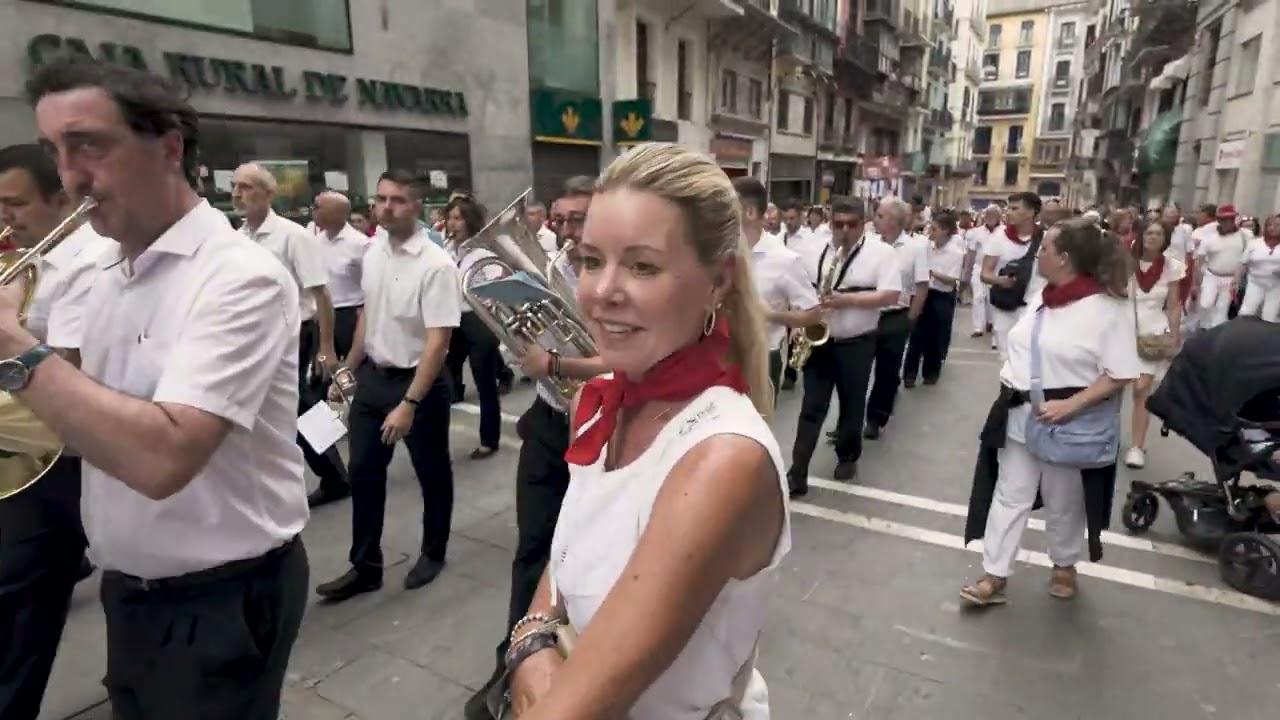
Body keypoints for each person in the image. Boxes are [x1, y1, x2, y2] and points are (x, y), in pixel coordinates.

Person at [16, 57, 309, 717]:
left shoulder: (240, 277)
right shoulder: (97, 265)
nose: (69, 176)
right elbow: (72, 413)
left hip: (221, 598)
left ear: (169, 148)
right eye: (55, 151)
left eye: (89, 144)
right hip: (134, 590)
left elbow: (160, 458)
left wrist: (15, 349)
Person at [502, 142, 787, 720]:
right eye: (590, 259)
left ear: (717, 281)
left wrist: (528, 655)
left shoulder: (722, 458)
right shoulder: (600, 399)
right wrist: (533, 639)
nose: (602, 291)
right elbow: (568, 553)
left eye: (642, 265)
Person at [462, 175, 610, 720]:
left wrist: (557, 364)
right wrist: (519, 347)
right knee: (532, 549)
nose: (568, 230)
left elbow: (623, 360)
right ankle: (510, 668)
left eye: (581, 219)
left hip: (604, 427)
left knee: (589, 557)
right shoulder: (544, 269)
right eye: (563, 219)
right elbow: (524, 347)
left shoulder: (614, 275)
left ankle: (582, 668)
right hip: (551, 423)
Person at [962, 219, 1141, 605]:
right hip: (1017, 411)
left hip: (1067, 420)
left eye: (1044, 249)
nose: (1037, 253)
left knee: (1064, 499)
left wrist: (1070, 406)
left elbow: (1122, 373)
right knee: (1011, 494)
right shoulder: (1045, 294)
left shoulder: (1108, 309)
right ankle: (995, 572)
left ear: (1065, 258)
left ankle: (1064, 563)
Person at [0, 142, 111, 720]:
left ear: (60, 199)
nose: (6, 218)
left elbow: (66, 376)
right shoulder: (39, 257)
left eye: (15, 203)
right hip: (35, 444)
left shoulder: (88, 264)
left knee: (20, 595)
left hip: (62, 457)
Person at [315, 169, 460, 601]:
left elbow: (438, 343)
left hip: (420, 386)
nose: (385, 207)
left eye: (397, 200)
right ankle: (366, 567)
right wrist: (347, 370)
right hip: (373, 379)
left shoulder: (436, 265)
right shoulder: (374, 251)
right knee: (363, 473)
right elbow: (367, 317)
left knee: (431, 474)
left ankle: (433, 552)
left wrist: (410, 403)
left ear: (416, 206)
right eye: (380, 198)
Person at [231, 162, 350, 508]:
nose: (238, 193)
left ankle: (335, 477)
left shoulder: (292, 235)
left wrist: (326, 347)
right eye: (236, 186)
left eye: (248, 187)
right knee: (284, 408)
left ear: (269, 194)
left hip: (295, 333)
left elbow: (321, 294)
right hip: (257, 336)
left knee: (301, 407)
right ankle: (321, 474)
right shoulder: (237, 239)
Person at [787, 196, 900, 490]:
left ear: (864, 224)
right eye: (839, 224)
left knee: (852, 405)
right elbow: (800, 290)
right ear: (830, 222)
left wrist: (846, 299)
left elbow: (890, 296)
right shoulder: (814, 250)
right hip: (819, 342)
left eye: (852, 225)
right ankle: (797, 471)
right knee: (811, 407)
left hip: (857, 343)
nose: (845, 231)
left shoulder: (882, 253)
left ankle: (847, 457)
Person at [733, 176, 820, 394]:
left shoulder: (784, 259)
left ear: (750, 212)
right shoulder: (722, 249)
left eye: (728, 206)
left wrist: (772, 316)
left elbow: (813, 314)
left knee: (756, 426)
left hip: (762, 358)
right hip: (721, 354)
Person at [442, 194, 505, 459]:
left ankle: (489, 439)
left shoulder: (481, 253)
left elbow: (497, 286)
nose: (452, 224)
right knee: (443, 378)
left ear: (470, 222)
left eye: (458, 218)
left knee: (484, 383)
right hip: (453, 321)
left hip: (477, 321)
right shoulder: (447, 251)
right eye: (450, 218)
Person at [1124, 222, 1184, 469]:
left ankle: (1136, 447)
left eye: (1158, 234)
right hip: (1122, 328)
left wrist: (1174, 335)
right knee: (1110, 388)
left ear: (1165, 239)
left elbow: (1173, 304)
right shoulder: (1125, 262)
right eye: (1149, 232)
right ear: (1141, 235)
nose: (1152, 237)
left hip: (1152, 332)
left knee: (1141, 389)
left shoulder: (1172, 267)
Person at [902, 211, 965, 387]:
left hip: (942, 295)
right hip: (924, 293)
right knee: (916, 335)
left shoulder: (955, 252)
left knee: (936, 336)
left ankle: (931, 372)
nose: (930, 232)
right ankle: (909, 374)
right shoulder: (925, 247)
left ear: (945, 231)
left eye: (935, 229)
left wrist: (931, 273)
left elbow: (952, 279)